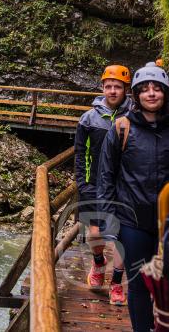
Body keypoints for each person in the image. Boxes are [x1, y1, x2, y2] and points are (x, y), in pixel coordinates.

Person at [98, 62, 169, 331]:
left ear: (165, 93)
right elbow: (106, 175)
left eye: (157, 89)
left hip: (166, 224)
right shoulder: (122, 128)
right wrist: (108, 220)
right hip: (132, 222)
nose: (151, 94)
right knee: (138, 284)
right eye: (145, 89)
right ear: (136, 95)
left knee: (165, 282)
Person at [74, 64, 132, 306]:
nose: (112, 90)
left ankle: (117, 282)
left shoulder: (134, 116)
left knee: (123, 236)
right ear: (102, 88)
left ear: (126, 89)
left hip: (124, 185)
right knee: (95, 232)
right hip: (94, 184)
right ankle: (99, 264)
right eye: (108, 86)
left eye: (117, 86)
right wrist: (82, 182)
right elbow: (80, 153)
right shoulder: (89, 118)